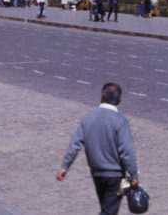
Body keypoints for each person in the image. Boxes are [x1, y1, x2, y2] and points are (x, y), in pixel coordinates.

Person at [57, 83, 139, 215]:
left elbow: (75, 144)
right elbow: (127, 152)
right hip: (115, 175)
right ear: (119, 100)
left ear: (102, 96)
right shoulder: (120, 121)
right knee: (109, 211)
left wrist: (64, 167)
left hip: (97, 173)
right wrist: (134, 174)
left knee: (106, 208)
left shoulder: (88, 118)